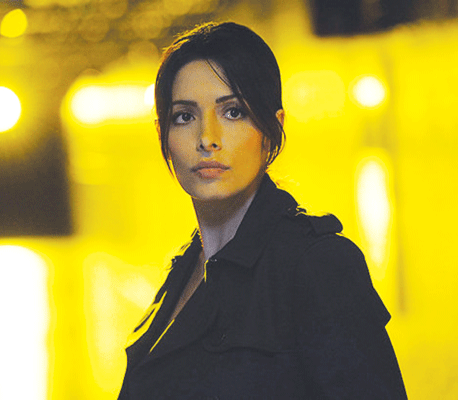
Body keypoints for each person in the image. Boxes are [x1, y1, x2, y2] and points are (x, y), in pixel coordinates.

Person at [118, 22, 407, 399]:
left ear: (271, 129)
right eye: (185, 116)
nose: (207, 138)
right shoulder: (184, 272)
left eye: (233, 112)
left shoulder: (318, 266)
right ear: (163, 134)